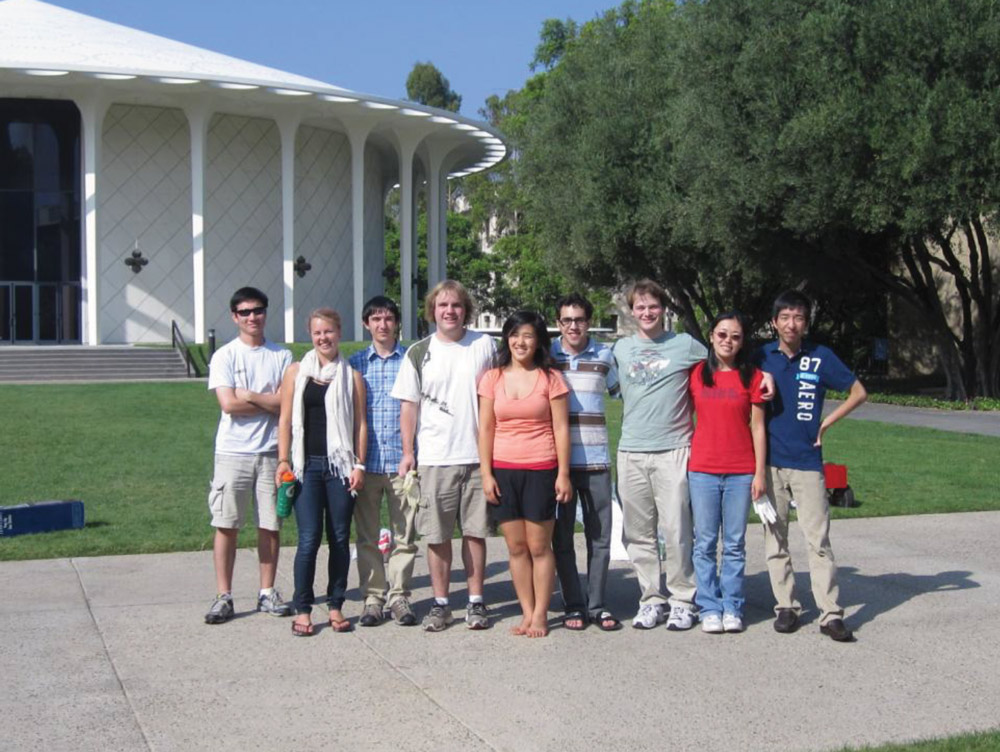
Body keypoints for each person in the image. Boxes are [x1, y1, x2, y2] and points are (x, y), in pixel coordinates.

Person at [756, 289, 867, 642]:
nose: (792, 324)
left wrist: (826, 422)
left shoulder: (820, 357)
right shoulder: (760, 356)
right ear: (774, 322)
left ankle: (830, 613)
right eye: (785, 317)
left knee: (818, 539)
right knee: (776, 538)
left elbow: (858, 392)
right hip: (770, 462)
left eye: (798, 317)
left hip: (807, 462)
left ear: (806, 323)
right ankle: (786, 607)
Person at [391, 280, 497, 632]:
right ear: (432, 310)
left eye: (456, 305)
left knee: (475, 533)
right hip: (435, 459)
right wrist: (409, 453)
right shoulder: (419, 353)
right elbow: (409, 406)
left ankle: (476, 602)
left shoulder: (485, 346)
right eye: (442, 305)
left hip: (478, 457)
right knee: (436, 536)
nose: (449, 311)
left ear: (466, 309)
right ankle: (440, 604)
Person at [612, 279, 706, 631]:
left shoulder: (685, 345)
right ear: (632, 311)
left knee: (677, 528)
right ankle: (651, 598)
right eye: (640, 307)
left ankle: (683, 599)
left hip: (673, 450)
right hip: (632, 450)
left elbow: (727, 365)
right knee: (638, 533)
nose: (647, 312)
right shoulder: (620, 350)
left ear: (663, 309)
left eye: (653, 306)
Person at [479, 311, 572, 637]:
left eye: (528, 335)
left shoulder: (551, 379)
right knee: (516, 548)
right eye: (515, 334)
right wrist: (486, 474)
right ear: (507, 338)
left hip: (541, 470)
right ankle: (527, 612)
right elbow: (486, 428)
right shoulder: (492, 378)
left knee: (539, 547)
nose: (521, 341)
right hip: (504, 471)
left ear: (538, 341)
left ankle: (542, 615)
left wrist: (563, 474)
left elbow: (561, 428)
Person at [275, 308, 367, 637]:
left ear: (339, 332)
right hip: (306, 467)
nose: (323, 338)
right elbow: (285, 420)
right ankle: (302, 608)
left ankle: (336, 604)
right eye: (317, 333)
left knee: (340, 539)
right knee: (308, 540)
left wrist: (358, 464)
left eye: (328, 331)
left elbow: (359, 424)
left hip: (340, 468)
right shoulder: (297, 372)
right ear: (310, 336)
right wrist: (283, 460)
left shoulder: (351, 376)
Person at [204, 287, 293, 625]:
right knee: (227, 524)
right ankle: (223, 595)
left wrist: (250, 395)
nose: (252, 317)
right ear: (234, 316)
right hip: (232, 452)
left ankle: (267, 591)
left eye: (258, 310)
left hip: (272, 451)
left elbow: (285, 403)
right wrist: (267, 401)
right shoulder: (225, 356)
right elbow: (228, 404)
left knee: (270, 524)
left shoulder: (281, 356)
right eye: (245, 312)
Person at [688, 311, 771, 634]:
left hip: (740, 471)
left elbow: (759, 428)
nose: (728, 341)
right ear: (711, 336)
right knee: (704, 543)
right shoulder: (696, 374)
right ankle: (709, 606)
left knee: (734, 543)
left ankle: (732, 606)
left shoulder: (752, 377)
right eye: (722, 334)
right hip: (703, 470)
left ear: (742, 342)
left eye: (735, 336)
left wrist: (759, 473)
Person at [550, 293, 622, 632]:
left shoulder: (605, 355)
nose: (573, 325)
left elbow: (625, 394)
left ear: (589, 322)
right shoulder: (547, 355)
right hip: (559, 464)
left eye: (579, 319)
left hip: (596, 462)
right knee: (562, 539)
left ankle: (597, 604)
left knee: (600, 537)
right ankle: (573, 604)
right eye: (567, 320)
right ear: (558, 323)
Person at [349, 296, 418, 627]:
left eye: (388, 318)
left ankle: (400, 596)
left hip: (403, 463)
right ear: (366, 324)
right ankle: (373, 597)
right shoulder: (355, 364)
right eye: (375, 318)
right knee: (366, 536)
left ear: (396, 322)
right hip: (367, 463)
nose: (382, 324)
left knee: (405, 535)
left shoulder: (412, 360)